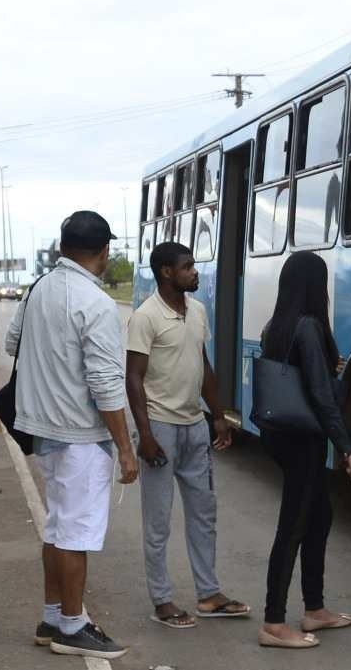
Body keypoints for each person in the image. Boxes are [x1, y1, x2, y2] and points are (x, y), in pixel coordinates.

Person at [6, 210, 138, 660]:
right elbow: (104, 382)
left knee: (58, 526)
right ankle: (73, 625)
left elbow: (12, 345)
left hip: (42, 429)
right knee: (76, 533)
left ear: (63, 247)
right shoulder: (95, 303)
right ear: (104, 252)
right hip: (81, 434)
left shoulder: (37, 289)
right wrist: (125, 448)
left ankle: (52, 617)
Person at [126, 242, 248, 629]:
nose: (195, 272)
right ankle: (161, 600)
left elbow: (203, 365)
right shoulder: (146, 317)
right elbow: (133, 378)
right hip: (160, 429)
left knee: (203, 514)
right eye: (188, 266)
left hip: (195, 427)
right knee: (158, 521)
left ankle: (209, 595)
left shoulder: (196, 310)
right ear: (166, 272)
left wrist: (218, 416)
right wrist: (145, 436)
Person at [257, 251, 351, 649]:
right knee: (294, 527)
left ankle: (315, 609)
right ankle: (272, 623)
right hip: (303, 439)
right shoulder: (308, 326)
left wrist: (323, 365)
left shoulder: (276, 325)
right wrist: (349, 450)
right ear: (316, 287)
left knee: (319, 517)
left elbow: (301, 378)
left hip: (282, 434)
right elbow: (321, 397)